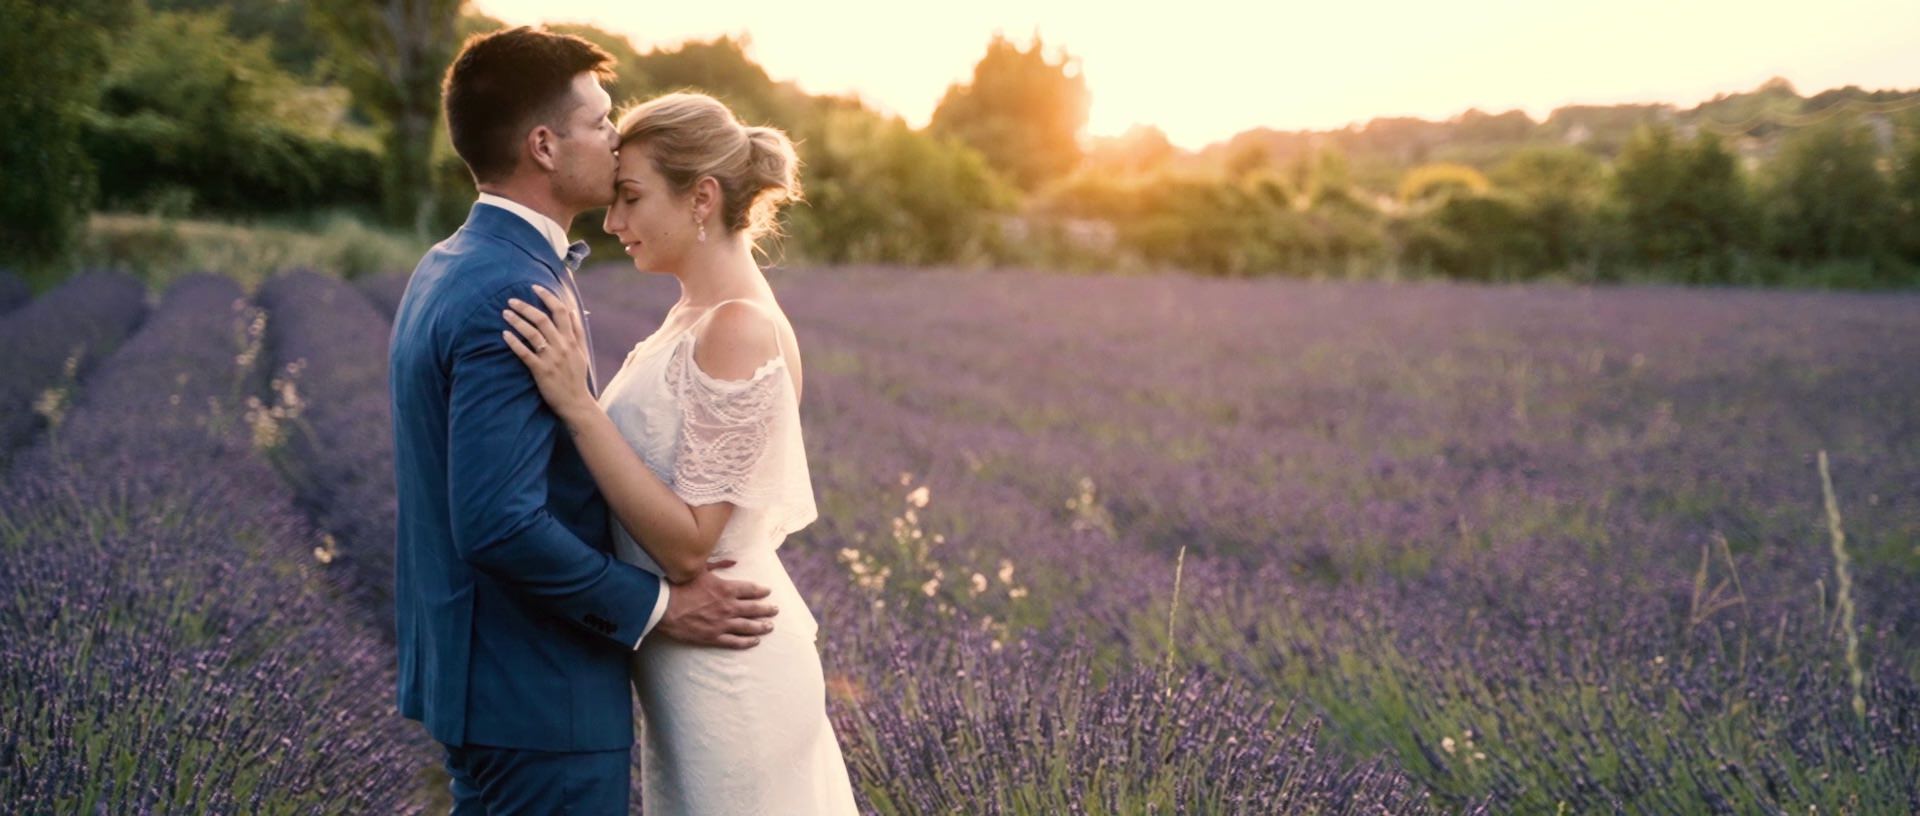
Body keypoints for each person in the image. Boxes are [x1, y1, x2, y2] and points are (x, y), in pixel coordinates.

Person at [387, 27, 779, 814]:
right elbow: (497, 522)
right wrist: (662, 606)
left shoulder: (451, 263)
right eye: (600, 121)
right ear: (542, 144)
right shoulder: (512, 289)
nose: (615, 136)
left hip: (490, 680)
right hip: (540, 695)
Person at [501, 90, 858, 814]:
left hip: (733, 668)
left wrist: (576, 404)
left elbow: (693, 544)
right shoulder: (691, 315)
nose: (612, 222)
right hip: (691, 664)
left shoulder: (739, 328)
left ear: (701, 197)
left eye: (629, 198)